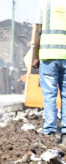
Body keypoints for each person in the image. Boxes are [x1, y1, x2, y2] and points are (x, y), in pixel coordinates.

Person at [33, 0, 66, 141]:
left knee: (49, 96)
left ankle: (50, 132)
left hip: (48, 56)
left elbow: (38, 31)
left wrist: (35, 56)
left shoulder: (44, 4)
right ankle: (65, 134)